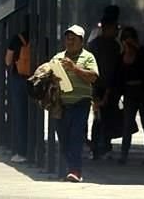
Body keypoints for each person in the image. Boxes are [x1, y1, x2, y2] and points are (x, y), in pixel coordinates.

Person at [50, 25, 99, 183]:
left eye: (73, 39)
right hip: (62, 105)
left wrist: (74, 68)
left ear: (81, 41)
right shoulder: (58, 57)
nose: (70, 42)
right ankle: (67, 169)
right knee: (63, 138)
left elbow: (93, 77)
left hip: (80, 103)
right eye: (68, 39)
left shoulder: (88, 57)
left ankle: (75, 171)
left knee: (76, 136)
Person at [114, 26, 144, 164]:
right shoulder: (121, 57)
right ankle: (124, 155)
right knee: (127, 124)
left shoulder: (142, 53)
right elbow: (118, 77)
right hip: (129, 93)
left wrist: (136, 47)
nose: (128, 42)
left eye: (130, 38)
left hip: (143, 92)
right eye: (125, 39)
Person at [89, 14, 122, 159]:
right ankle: (98, 146)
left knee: (105, 118)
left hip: (108, 87)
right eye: (115, 28)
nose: (117, 31)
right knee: (100, 118)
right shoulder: (102, 46)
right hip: (100, 86)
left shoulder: (113, 45)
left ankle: (102, 146)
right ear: (107, 28)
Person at [5, 28, 31, 163]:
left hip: (19, 79)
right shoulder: (43, 39)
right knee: (35, 116)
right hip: (37, 80)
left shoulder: (16, 39)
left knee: (20, 116)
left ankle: (21, 151)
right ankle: (36, 148)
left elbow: (8, 61)